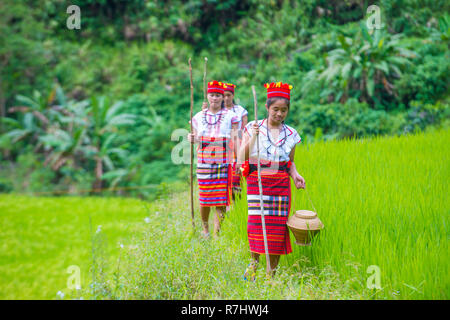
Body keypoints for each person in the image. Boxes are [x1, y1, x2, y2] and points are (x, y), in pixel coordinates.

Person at [238, 81, 306, 280]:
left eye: (284, 110)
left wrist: (296, 176)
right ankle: (254, 263)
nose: (279, 114)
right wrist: (254, 138)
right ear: (267, 108)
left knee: (277, 228)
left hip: (281, 186)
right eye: (275, 109)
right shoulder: (252, 127)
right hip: (257, 181)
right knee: (256, 225)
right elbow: (242, 157)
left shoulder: (291, 134)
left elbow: (290, 162)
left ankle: (271, 274)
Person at [188, 80, 239, 238]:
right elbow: (196, 138)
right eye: (212, 95)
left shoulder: (231, 116)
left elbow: (235, 139)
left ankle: (217, 232)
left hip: (223, 162)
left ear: (223, 97)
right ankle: (205, 230)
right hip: (204, 163)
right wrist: (192, 138)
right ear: (207, 96)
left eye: (218, 95)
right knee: (204, 198)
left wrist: (238, 160)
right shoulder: (198, 116)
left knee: (221, 199)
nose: (215, 98)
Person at [223, 83, 248, 200]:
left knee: (236, 177)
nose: (226, 98)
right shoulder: (218, 110)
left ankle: (236, 203)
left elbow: (244, 130)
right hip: (221, 145)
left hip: (237, 144)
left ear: (233, 95)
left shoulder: (241, 111)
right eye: (223, 95)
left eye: (228, 95)